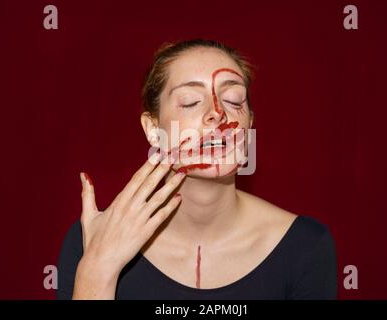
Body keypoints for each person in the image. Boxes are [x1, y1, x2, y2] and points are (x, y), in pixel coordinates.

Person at [57, 39, 337, 300]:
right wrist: (96, 272)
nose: (218, 112)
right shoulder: (93, 239)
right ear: (154, 130)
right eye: (190, 101)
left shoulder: (305, 247)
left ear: (249, 125)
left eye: (234, 100)